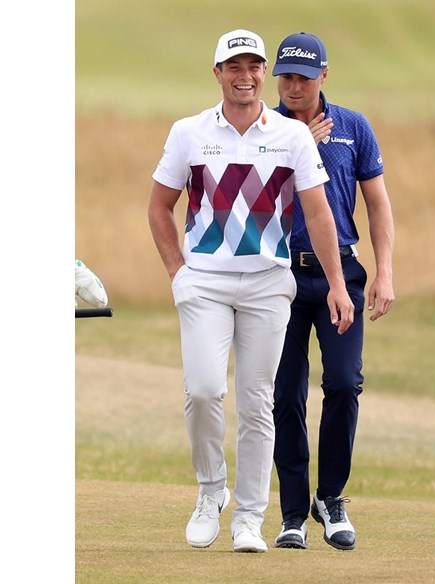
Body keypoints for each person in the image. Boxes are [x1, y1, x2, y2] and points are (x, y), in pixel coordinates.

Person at [146, 28, 354, 554]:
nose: (245, 76)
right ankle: (211, 490)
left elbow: (317, 211)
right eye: (234, 67)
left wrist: (336, 284)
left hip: (267, 284)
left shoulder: (292, 136)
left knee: (258, 402)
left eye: (254, 67)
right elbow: (158, 206)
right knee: (203, 390)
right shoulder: (189, 133)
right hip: (205, 283)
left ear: (264, 72)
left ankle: (249, 519)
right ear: (217, 73)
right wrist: (178, 272)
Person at [268, 32, 395, 551]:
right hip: (276, 276)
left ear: (324, 75)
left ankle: (332, 497)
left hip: (341, 272)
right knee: (284, 396)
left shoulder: (354, 127)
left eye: (303, 76)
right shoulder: (264, 127)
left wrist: (385, 272)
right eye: (286, 77)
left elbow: (379, 205)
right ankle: (293, 512)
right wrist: (303, 148)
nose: (293, 86)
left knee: (344, 384)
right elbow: (257, 201)